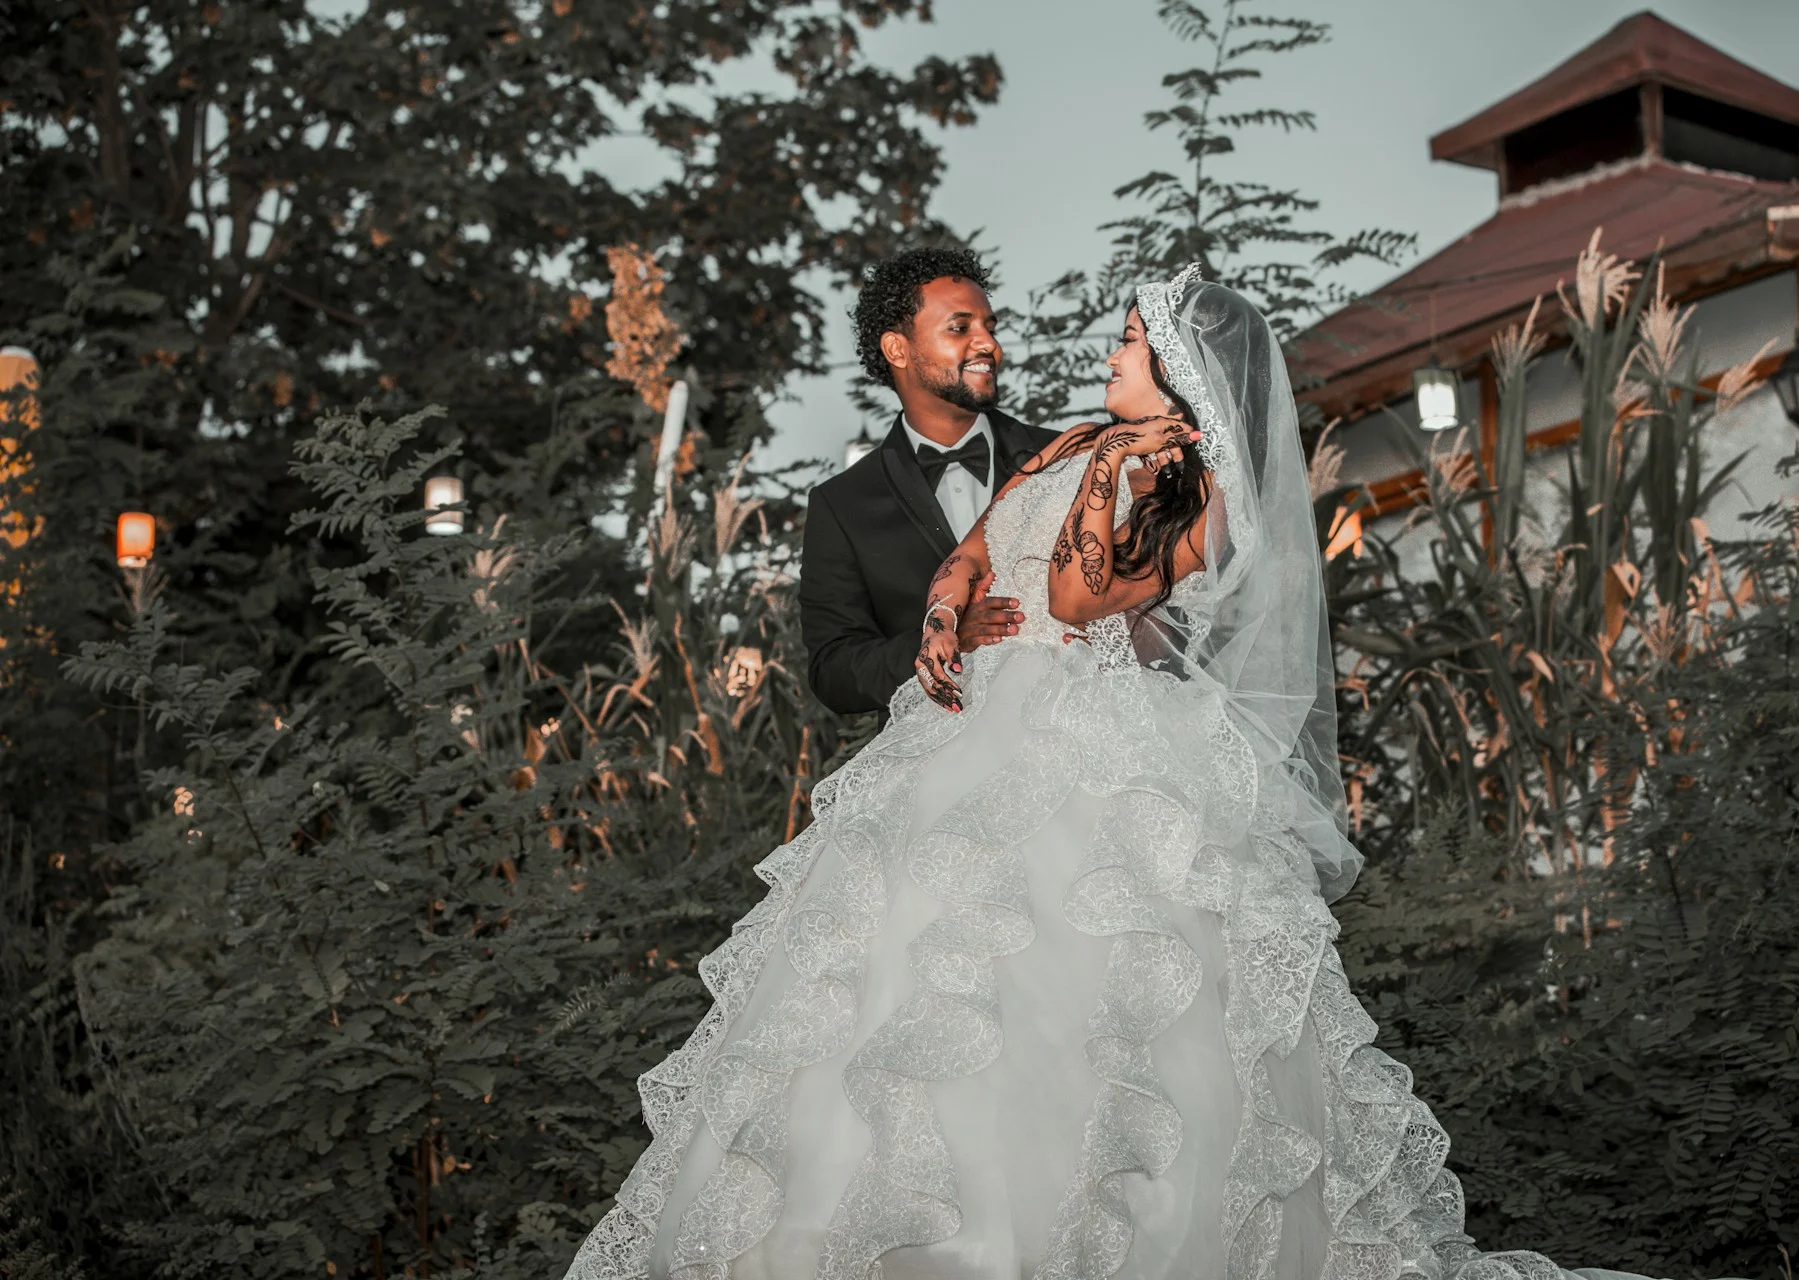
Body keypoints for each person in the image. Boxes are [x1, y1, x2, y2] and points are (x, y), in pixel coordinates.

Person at [567, 267, 1695, 1280]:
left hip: (1097, 741)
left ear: (1180, 379)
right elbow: (979, 543)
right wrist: (949, 609)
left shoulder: (1182, 484)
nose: (1102, 358)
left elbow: (1074, 598)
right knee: (892, 981)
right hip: (960, 737)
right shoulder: (1059, 446)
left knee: (1105, 996)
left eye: (1127, 345)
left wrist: (1123, 468)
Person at [800, 246, 1057, 718]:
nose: (988, 345)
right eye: (960, 328)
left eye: (990, 328)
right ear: (898, 349)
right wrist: (944, 640)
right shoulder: (842, 505)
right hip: (930, 771)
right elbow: (833, 670)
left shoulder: (1063, 459)